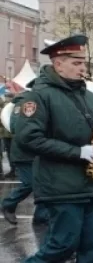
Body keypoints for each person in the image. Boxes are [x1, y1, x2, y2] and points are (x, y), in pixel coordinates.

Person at [14, 35, 93, 263]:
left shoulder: (87, 95)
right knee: (62, 247)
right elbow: (29, 138)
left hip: (90, 185)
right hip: (61, 186)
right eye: (76, 63)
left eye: (83, 62)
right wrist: (78, 152)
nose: (83, 68)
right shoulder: (39, 95)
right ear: (58, 64)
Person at [1, 84, 49, 226]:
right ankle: (8, 203)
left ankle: (41, 216)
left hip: (39, 151)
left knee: (43, 184)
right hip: (25, 152)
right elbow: (17, 127)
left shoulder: (43, 102)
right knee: (30, 184)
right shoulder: (25, 103)